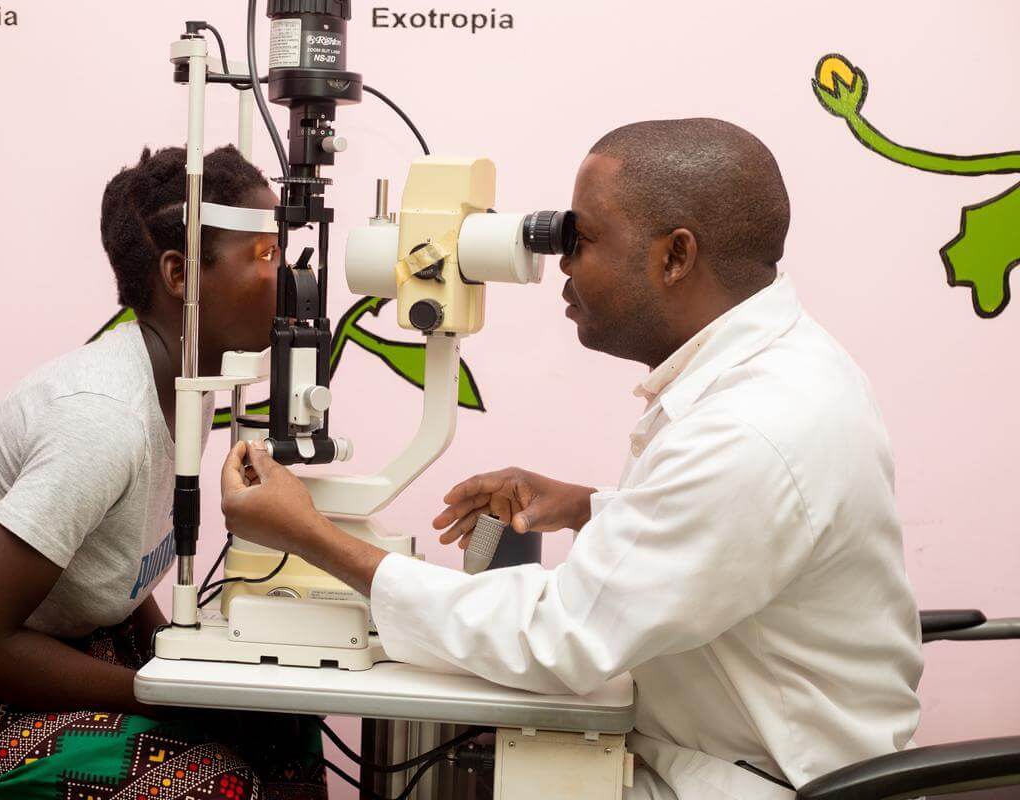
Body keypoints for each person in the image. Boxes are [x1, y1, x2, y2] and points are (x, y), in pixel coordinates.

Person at [218, 118, 925, 799]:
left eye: (580, 238)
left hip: (746, 781)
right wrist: (589, 507)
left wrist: (311, 537)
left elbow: (560, 641)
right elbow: (727, 542)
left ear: (675, 256)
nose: (561, 262)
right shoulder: (782, 367)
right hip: (716, 751)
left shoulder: (752, 428)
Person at [0, 146, 327, 800]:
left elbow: (110, 563)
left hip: (40, 651)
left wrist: (186, 663)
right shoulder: (103, 419)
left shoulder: (182, 388)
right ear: (180, 274)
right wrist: (166, 697)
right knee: (211, 783)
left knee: (282, 726)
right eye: (263, 255)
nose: (287, 278)